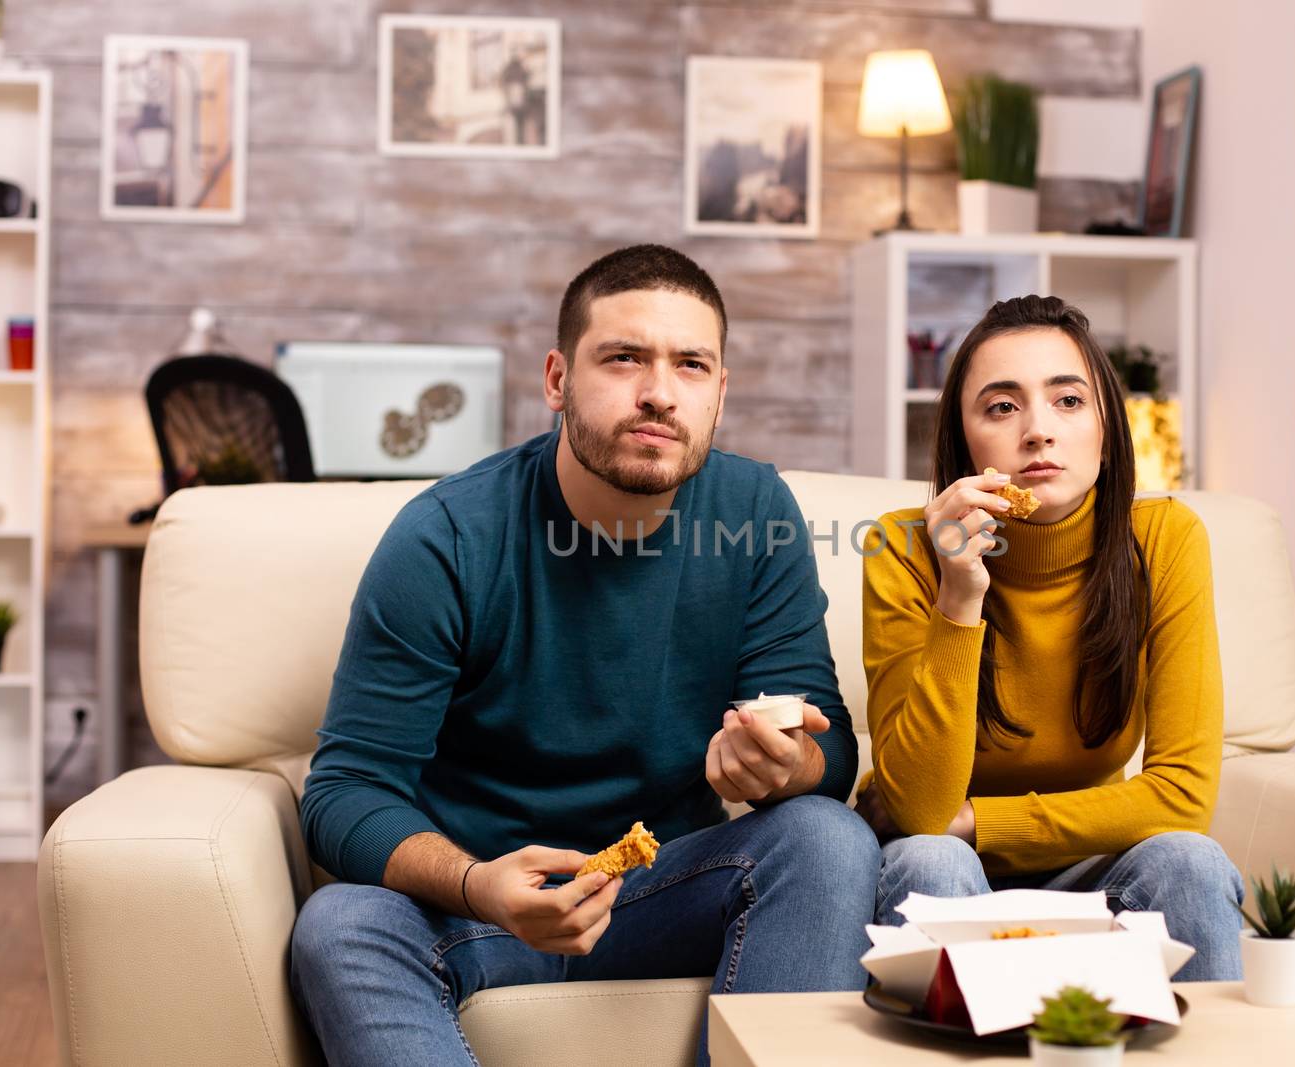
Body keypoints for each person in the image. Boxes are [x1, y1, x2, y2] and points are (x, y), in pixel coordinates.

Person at [290, 244, 879, 1066]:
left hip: (664, 890)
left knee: (826, 836)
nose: (659, 393)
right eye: (624, 357)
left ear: (720, 391)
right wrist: (476, 884)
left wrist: (783, 764)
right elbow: (343, 792)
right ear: (558, 379)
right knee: (341, 923)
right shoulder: (449, 536)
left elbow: (831, 749)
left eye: (691, 364)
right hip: (481, 906)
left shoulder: (757, 512)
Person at [857, 294, 1242, 980]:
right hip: (948, 867)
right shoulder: (902, 546)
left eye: (1068, 400)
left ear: (1105, 426)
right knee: (932, 858)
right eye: (1002, 407)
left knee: (1190, 859)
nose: (1039, 430)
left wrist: (978, 819)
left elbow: (1182, 796)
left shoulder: (1167, 539)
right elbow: (919, 812)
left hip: (1091, 870)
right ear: (963, 439)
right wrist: (960, 592)